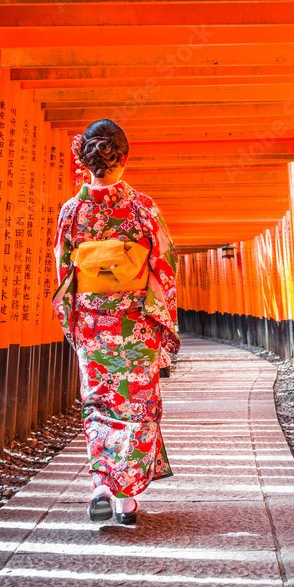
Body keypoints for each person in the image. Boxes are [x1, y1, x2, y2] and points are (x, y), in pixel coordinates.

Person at [52, 119, 180, 525]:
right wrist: (164, 325)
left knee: (99, 402)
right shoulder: (143, 207)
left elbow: (64, 273)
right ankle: (125, 498)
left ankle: (102, 485)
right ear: (125, 157)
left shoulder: (72, 211)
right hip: (136, 323)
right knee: (138, 405)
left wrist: (74, 325)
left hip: (92, 324)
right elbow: (164, 266)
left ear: (84, 158)